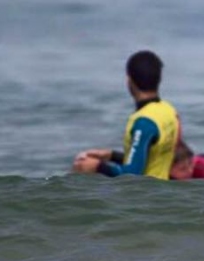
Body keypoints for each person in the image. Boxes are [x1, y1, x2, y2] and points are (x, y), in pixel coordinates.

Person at [72, 50, 179, 180]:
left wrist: (98, 166)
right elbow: (151, 158)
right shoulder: (168, 111)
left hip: (145, 196)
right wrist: (111, 156)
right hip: (162, 191)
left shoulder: (144, 122)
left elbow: (132, 175)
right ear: (159, 79)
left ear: (129, 80)